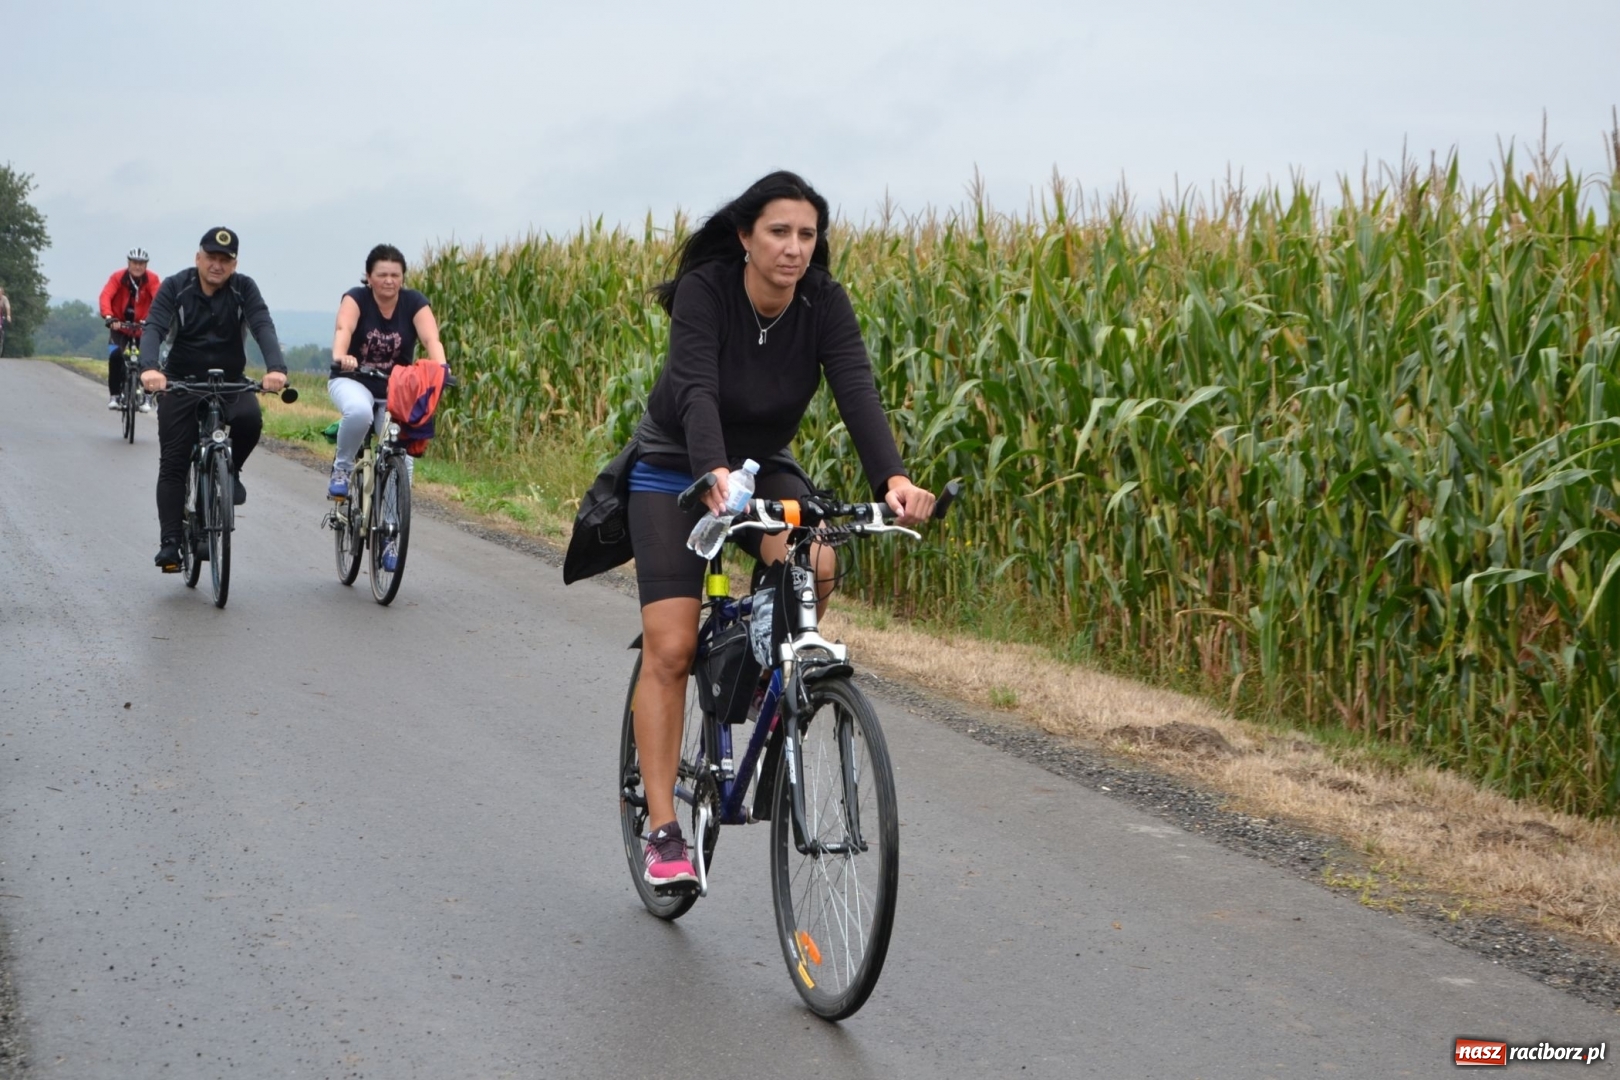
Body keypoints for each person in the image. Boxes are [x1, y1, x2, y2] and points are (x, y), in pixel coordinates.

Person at [620, 171, 935, 887]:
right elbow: (695, 387)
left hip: (762, 465)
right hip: (677, 466)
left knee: (817, 560)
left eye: (806, 235)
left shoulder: (823, 303)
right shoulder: (707, 290)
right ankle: (665, 830)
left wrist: (893, 481)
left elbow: (857, 388)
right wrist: (713, 474)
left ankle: (765, 685)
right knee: (670, 646)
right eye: (778, 232)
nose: (794, 248)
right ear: (745, 237)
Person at [137, 227, 288, 572]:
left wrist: (276, 369)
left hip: (229, 382)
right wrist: (150, 369)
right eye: (211, 258)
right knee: (174, 461)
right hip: (181, 383)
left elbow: (262, 324)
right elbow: (155, 327)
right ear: (198, 258)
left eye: (225, 260)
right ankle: (171, 543)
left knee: (250, 419)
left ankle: (231, 472)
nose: (217, 265)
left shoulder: (243, 289)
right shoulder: (177, 286)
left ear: (234, 264)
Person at [326, 243, 448, 502]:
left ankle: (391, 533)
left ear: (403, 277)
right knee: (359, 412)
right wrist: (341, 356)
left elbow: (431, 339)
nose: (389, 281)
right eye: (382, 275)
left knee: (400, 454)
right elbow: (343, 329)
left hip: (396, 389)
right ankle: (342, 468)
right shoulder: (356, 298)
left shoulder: (414, 302)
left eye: (395, 275)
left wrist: (441, 369)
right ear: (369, 277)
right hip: (353, 378)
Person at [99, 248, 161, 412]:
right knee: (116, 356)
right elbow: (106, 296)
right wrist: (109, 317)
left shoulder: (152, 279)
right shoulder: (118, 277)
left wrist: (154, 320)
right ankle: (115, 395)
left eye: (141, 264)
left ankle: (148, 396)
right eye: (135, 263)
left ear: (146, 265)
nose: (138, 267)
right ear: (129, 263)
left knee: (150, 360)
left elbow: (159, 299)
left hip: (144, 328)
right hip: (120, 326)